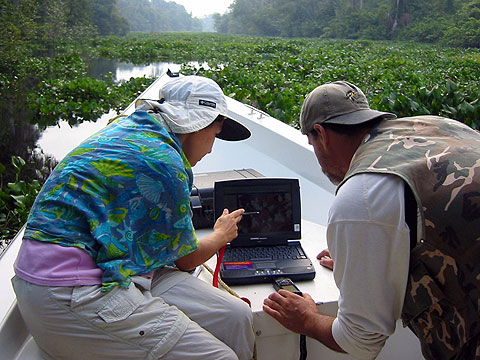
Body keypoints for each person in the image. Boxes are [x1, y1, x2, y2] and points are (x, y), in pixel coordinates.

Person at [12, 75, 255, 360]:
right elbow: (186, 259)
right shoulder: (165, 162)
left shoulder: (127, 129)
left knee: (235, 315)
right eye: (214, 134)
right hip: (69, 288)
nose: (212, 148)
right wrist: (220, 234)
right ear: (198, 124)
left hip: (98, 266)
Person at [263, 80, 480, 359]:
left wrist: (307, 319)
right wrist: (365, 257)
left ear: (321, 134)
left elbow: (360, 340)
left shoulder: (362, 194)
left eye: (311, 143)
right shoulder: (442, 125)